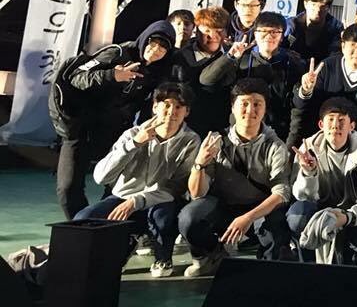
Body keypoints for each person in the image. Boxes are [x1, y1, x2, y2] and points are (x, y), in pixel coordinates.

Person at [49, 19, 176, 218]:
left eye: (163, 47)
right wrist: (112, 75)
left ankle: (105, 225)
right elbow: (76, 77)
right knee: (67, 187)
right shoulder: (118, 53)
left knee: (118, 186)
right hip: (80, 128)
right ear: (144, 39)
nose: (156, 50)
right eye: (153, 43)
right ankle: (80, 225)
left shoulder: (158, 72)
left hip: (114, 131)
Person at [74, 82, 200, 278]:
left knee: (162, 215)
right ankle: (122, 246)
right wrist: (134, 144)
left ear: (187, 112)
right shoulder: (132, 134)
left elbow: (176, 187)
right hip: (122, 196)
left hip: (160, 199)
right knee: (83, 219)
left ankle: (163, 256)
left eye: (178, 107)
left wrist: (137, 201)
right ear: (155, 107)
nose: (171, 112)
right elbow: (100, 177)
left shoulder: (191, 140)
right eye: (166, 105)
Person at [178, 78, 292, 276]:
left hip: (259, 209)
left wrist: (248, 218)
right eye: (244, 103)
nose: (250, 110)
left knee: (278, 224)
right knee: (189, 218)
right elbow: (197, 193)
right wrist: (200, 164)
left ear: (265, 109)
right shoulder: (216, 141)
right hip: (224, 205)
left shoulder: (276, 146)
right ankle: (210, 256)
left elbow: (281, 193)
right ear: (232, 107)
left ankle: (267, 266)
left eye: (257, 104)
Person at [287, 97, 357, 265]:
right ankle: (304, 259)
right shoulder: (308, 148)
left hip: (347, 213)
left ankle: (349, 261)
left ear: (352, 126)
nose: (336, 125)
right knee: (297, 217)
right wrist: (309, 172)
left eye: (342, 120)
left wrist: (346, 217)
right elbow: (301, 196)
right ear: (321, 125)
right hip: (316, 210)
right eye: (331, 120)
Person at [197, 11, 306, 145]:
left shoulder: (293, 63)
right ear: (255, 34)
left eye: (274, 32)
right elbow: (206, 80)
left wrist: (290, 143)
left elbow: (296, 108)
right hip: (240, 132)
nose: (268, 36)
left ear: (282, 36)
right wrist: (229, 56)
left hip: (277, 134)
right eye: (263, 31)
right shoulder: (242, 58)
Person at [292, 23, 357, 137]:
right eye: (353, 45)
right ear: (343, 46)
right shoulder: (327, 67)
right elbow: (301, 107)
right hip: (325, 135)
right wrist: (306, 90)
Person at [170, 7, 232, 138]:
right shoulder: (180, 57)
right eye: (207, 31)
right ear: (197, 31)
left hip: (220, 129)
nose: (213, 36)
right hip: (185, 129)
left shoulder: (232, 55)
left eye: (219, 31)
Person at [287, 0, 343, 65]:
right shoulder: (292, 24)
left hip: (323, 69)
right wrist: (288, 54)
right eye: (313, 5)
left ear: (329, 8)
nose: (317, 10)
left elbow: (335, 56)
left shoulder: (336, 27)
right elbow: (281, 47)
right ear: (305, 4)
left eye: (323, 6)